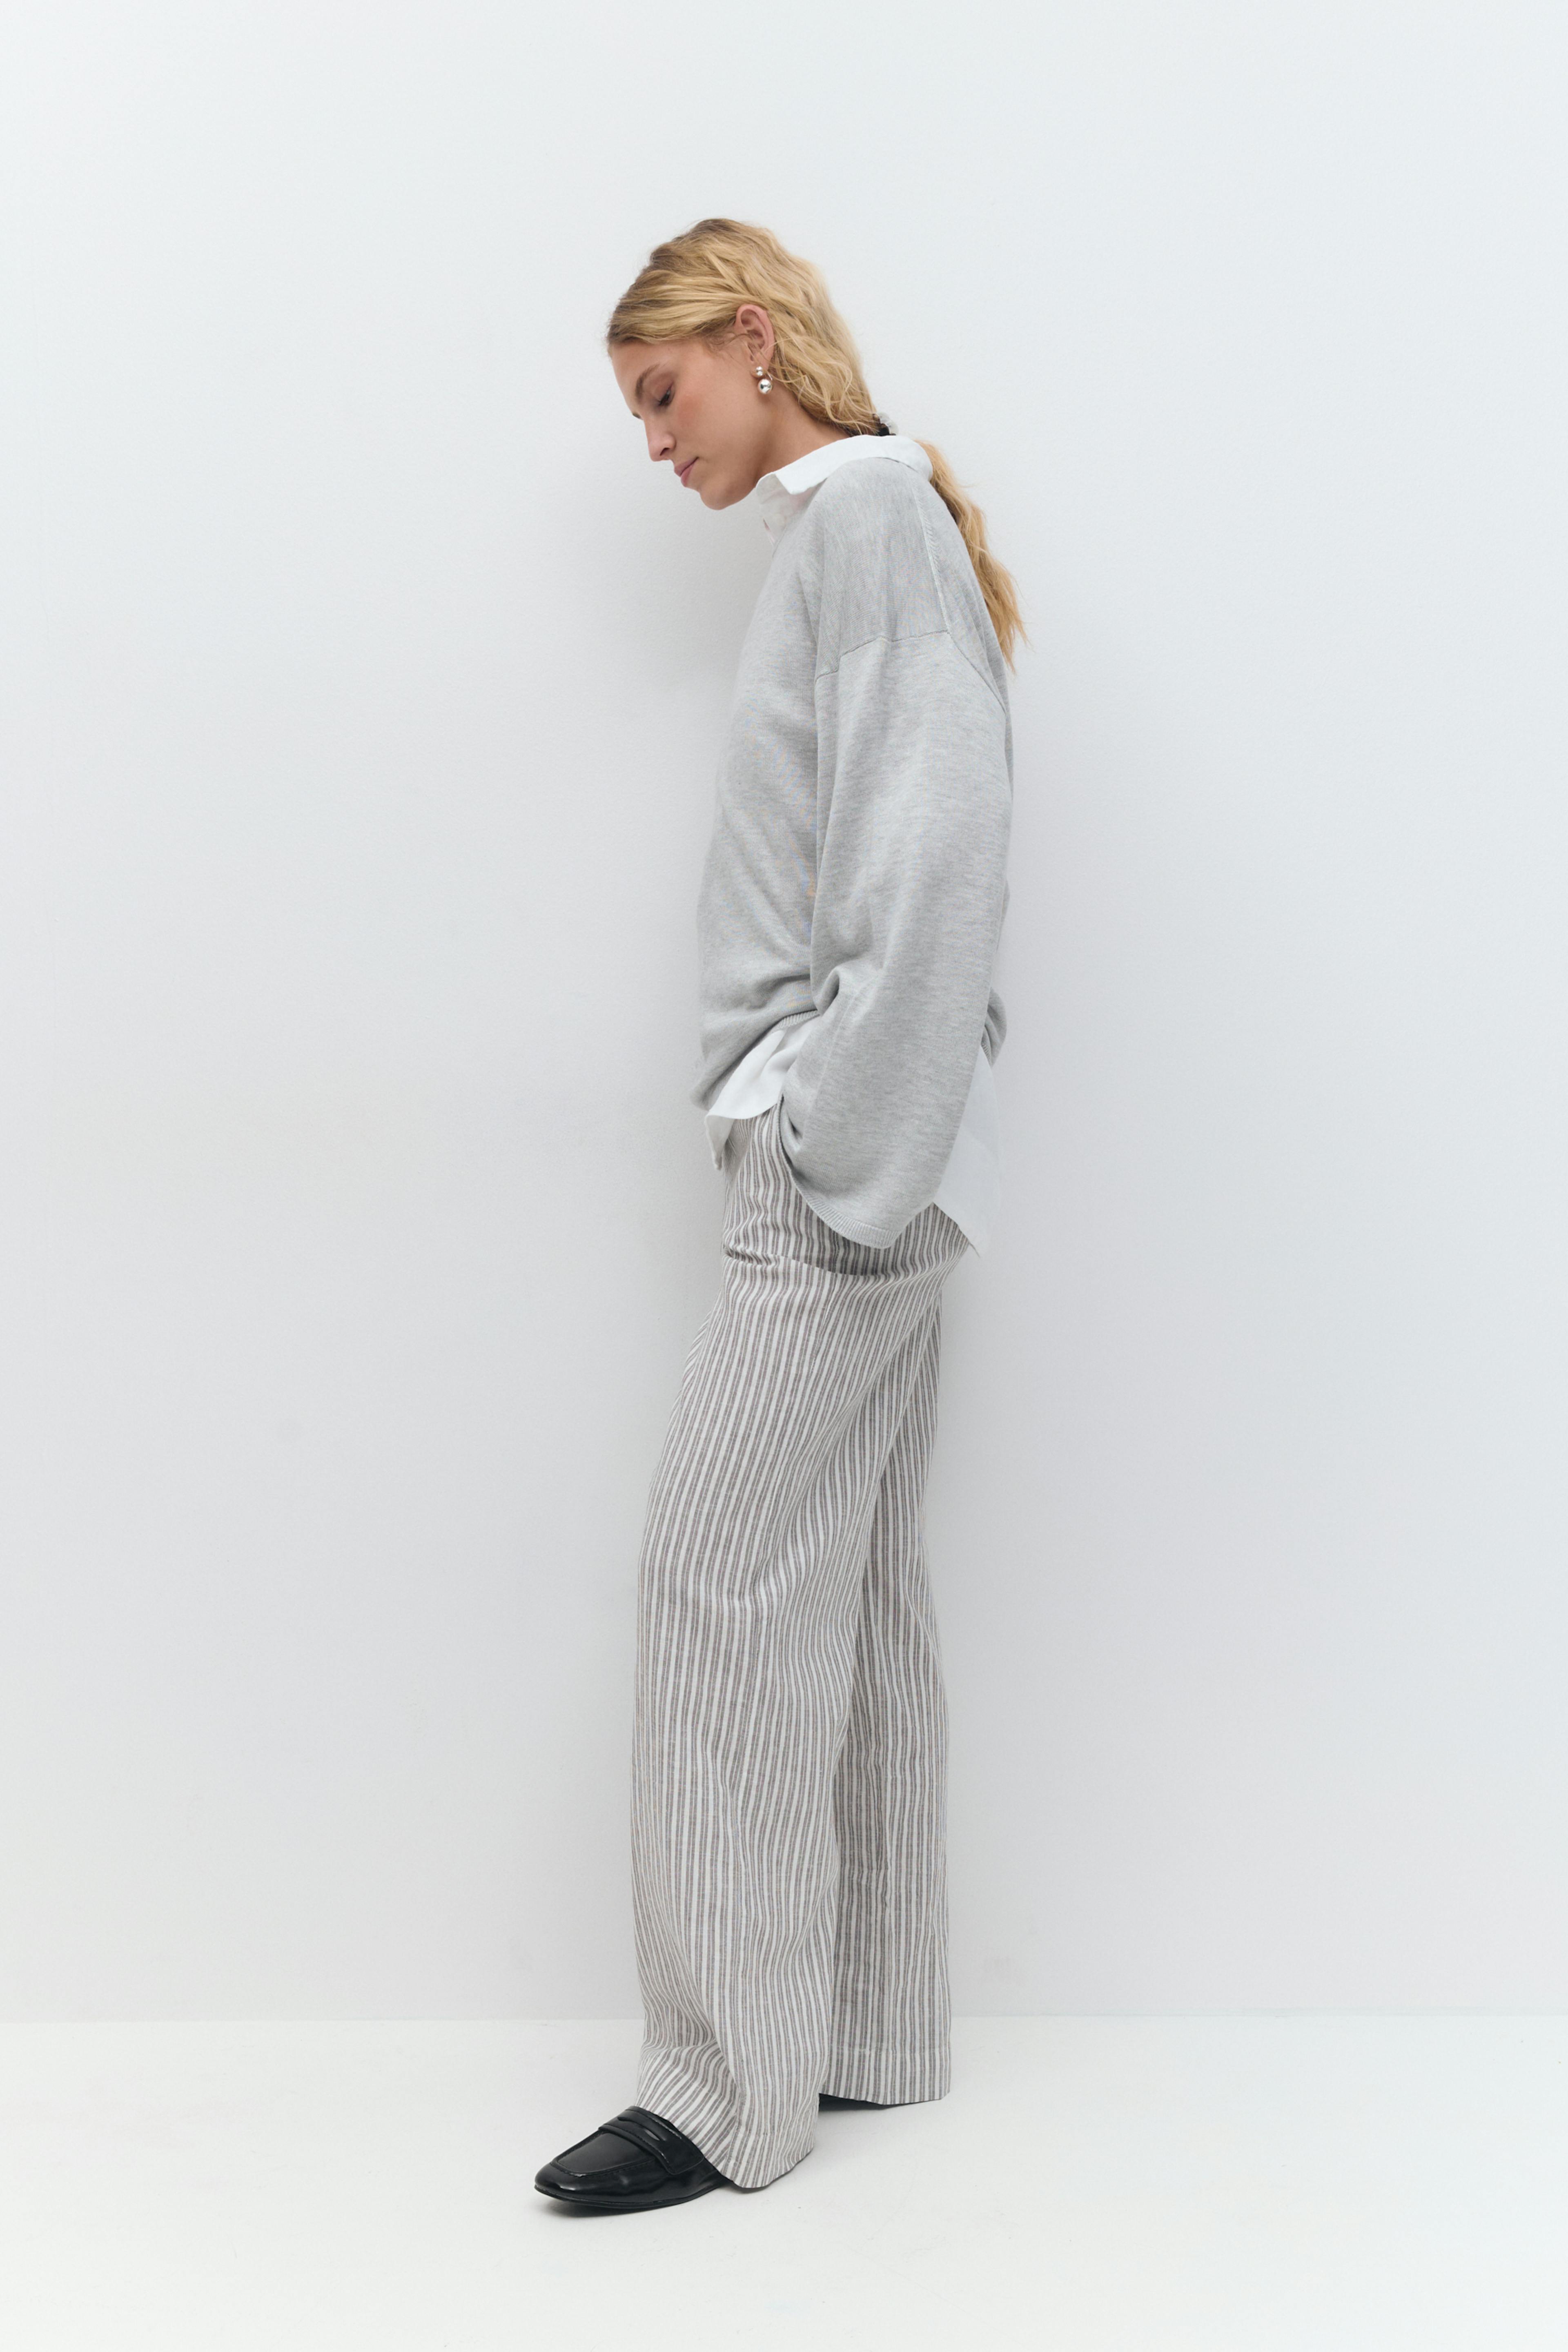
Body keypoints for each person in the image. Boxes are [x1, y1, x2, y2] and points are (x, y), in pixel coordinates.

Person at [535, 219, 1020, 2214]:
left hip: (842, 1172)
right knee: (854, 1594)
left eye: (665, 394)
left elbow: (934, 854)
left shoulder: (872, 522)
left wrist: (833, 1151)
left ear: (753, 339)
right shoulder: (857, 533)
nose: (656, 442)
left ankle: (725, 2089)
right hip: (865, 1157)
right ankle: (866, 2030)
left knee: (718, 1579)